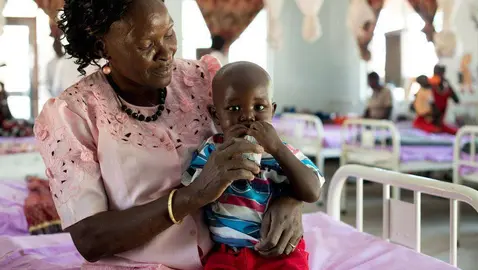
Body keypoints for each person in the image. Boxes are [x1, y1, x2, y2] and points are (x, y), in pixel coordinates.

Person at [34, 0, 304, 269]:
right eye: (147, 44)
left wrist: (290, 197)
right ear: (102, 47)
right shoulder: (73, 114)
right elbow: (90, 240)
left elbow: (265, 148)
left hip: (229, 258)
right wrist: (193, 195)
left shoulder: (204, 80)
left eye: (169, 33)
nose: (167, 52)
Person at [183, 62, 324, 270]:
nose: (247, 116)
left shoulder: (281, 152)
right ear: (216, 115)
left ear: (272, 110)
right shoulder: (212, 151)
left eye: (259, 107)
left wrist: (277, 149)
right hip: (227, 253)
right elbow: (192, 195)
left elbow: (312, 192)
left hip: (279, 253)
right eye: (233, 108)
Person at [423, 64, 459, 135]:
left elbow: (456, 100)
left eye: (440, 73)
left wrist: (448, 85)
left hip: (440, 123)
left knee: (458, 132)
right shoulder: (429, 87)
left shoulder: (446, 88)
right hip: (429, 121)